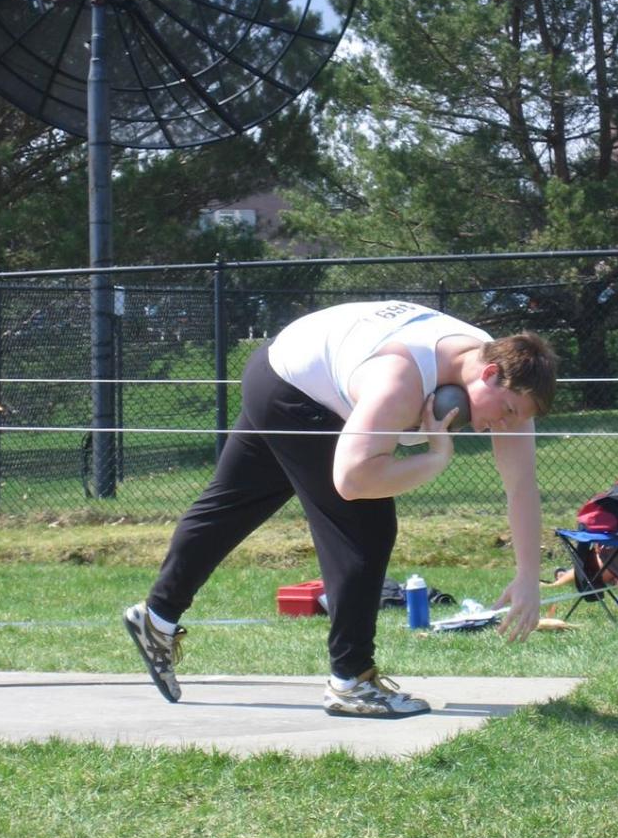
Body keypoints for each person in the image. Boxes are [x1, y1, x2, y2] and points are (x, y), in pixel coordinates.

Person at [124, 300, 558, 718]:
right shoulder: (401, 380)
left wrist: (527, 576)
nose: (504, 424)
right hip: (291, 387)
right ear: (488, 373)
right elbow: (351, 482)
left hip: (284, 366)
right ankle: (351, 680)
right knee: (365, 529)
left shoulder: (505, 374)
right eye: (505, 411)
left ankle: (157, 618)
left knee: (231, 504)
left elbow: (521, 485)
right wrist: (435, 458)